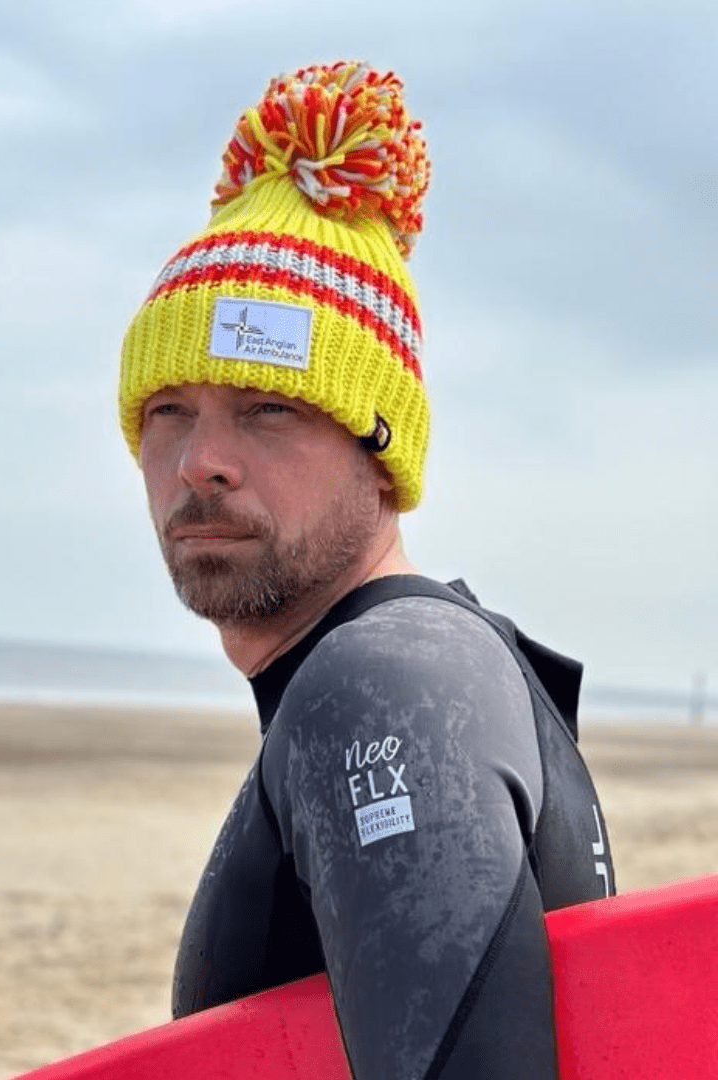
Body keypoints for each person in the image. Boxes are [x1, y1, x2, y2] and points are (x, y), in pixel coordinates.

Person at [117, 61, 614, 1079]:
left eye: (270, 409)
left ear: (382, 455)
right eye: (168, 411)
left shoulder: (383, 684)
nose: (200, 459)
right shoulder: (416, 669)